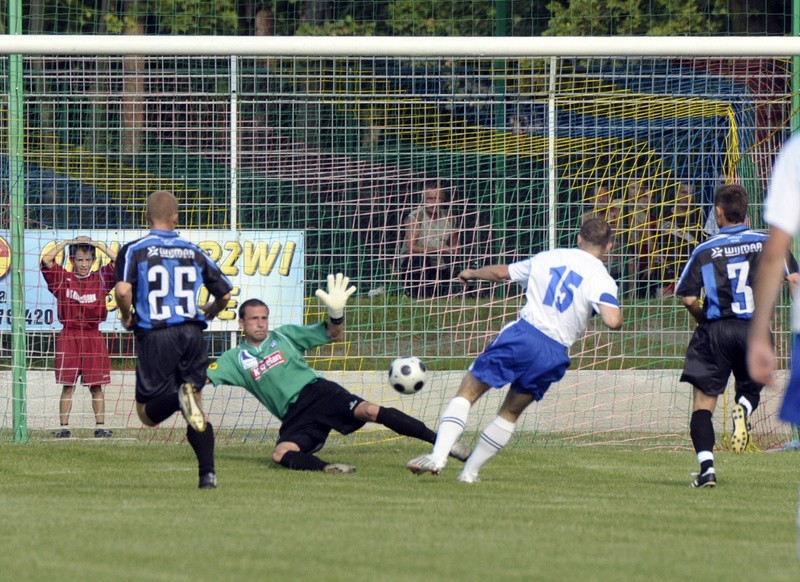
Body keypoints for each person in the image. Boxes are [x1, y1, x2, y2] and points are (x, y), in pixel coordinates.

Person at [407, 217, 622, 482]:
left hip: (524, 335)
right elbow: (613, 321)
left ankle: (438, 457)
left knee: (468, 392)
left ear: (579, 238)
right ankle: (469, 473)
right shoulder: (603, 279)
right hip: (554, 353)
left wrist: (471, 273)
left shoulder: (550, 256)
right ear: (609, 246)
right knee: (510, 413)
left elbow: (501, 273)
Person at [206, 277, 471, 473]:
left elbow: (334, 335)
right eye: (254, 319)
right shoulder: (234, 359)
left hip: (319, 393)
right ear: (241, 323)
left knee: (369, 411)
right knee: (280, 454)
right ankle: (328, 468)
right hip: (294, 416)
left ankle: (444, 443)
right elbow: (202, 378)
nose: (261, 323)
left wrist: (336, 313)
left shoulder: (284, 335)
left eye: (264, 317)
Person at [677, 184, 798, 489]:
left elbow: (688, 297)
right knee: (751, 389)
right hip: (754, 330)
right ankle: (742, 408)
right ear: (746, 211)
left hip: (715, 332)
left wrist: (704, 319)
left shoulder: (704, 249)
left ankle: (706, 468)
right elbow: (795, 279)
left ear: (718, 212)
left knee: (703, 404)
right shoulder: (768, 243)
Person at [114, 190, 232, 489]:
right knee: (196, 409)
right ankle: (207, 475)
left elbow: (123, 291)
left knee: (147, 415)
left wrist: (127, 316)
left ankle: (179, 399)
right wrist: (211, 312)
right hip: (192, 334)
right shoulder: (193, 250)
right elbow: (226, 294)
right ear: (176, 218)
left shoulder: (135, 249)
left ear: (146, 216)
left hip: (156, 334)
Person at [41, 236, 117, 439]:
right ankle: (63, 428)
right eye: (79, 260)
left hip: (93, 336)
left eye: (87, 260)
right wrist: (66, 244)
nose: (83, 264)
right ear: (72, 260)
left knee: (96, 386)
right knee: (68, 386)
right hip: (70, 335)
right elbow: (47, 261)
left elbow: (121, 262)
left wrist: (99, 245)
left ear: (93, 260)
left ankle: (100, 427)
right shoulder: (62, 278)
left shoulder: (101, 278)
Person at [400, 180, 460, 299]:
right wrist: (439, 250)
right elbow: (410, 248)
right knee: (419, 260)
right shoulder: (416, 217)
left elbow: (456, 247)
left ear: (443, 200)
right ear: (424, 200)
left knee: (458, 264)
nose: (434, 202)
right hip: (416, 264)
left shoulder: (450, 218)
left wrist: (451, 251)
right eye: (430, 199)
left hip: (441, 265)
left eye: (437, 198)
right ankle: (415, 295)